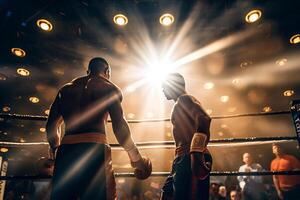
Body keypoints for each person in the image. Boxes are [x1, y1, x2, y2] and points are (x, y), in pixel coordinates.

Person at [46, 57, 152, 199]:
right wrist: (136, 158)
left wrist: (55, 154)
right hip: (94, 149)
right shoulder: (109, 88)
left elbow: (51, 127)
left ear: (88, 71)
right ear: (107, 71)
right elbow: (119, 126)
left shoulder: (65, 90)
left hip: (66, 151)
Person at [160, 73, 212, 200]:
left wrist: (196, 153)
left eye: (164, 86)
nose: (162, 90)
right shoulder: (181, 102)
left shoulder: (185, 99)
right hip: (183, 158)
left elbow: (204, 118)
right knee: (168, 194)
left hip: (189, 157)